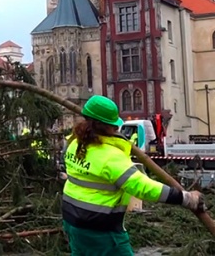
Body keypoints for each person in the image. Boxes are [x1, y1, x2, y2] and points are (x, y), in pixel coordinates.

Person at [62, 95, 205, 256]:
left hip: (72, 221)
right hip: (100, 230)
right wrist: (185, 198)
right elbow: (143, 187)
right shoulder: (110, 156)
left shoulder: (74, 144)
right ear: (110, 126)